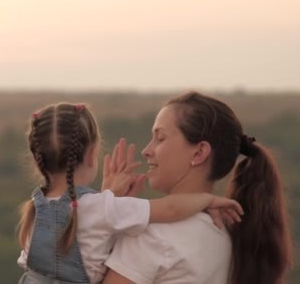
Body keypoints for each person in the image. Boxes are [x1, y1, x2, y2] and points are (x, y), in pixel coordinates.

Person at [17, 102, 243, 284]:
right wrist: (206, 200)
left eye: (160, 138)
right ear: (91, 155)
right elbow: (170, 209)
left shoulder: (37, 210)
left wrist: (111, 203)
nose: (146, 150)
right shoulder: (225, 233)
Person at [103, 91, 292, 284]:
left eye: (160, 138)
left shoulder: (150, 235)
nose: (146, 151)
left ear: (199, 152)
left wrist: (104, 212)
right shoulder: (231, 233)